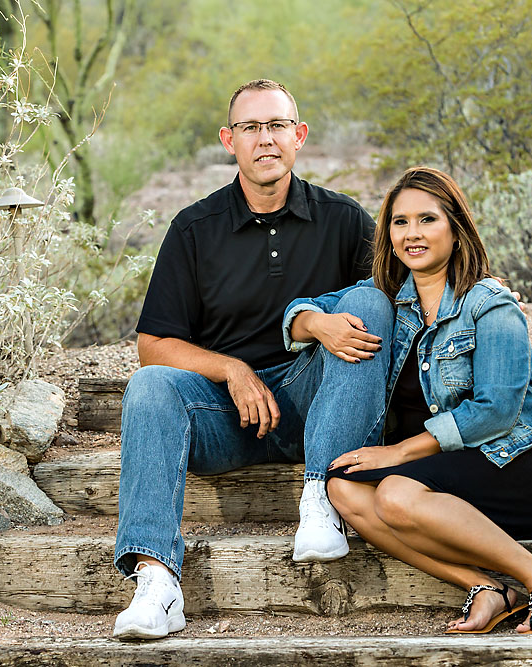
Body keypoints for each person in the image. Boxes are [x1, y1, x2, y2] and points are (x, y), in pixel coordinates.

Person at [111, 79, 395, 640]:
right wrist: (231, 370)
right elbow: (152, 346)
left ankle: (321, 495)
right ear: (228, 140)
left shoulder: (343, 219)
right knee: (149, 388)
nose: (264, 139)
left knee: (368, 298)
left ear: (299, 135)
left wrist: (477, 286)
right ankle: (157, 581)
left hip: (321, 406)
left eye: (276, 126)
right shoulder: (194, 229)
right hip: (228, 418)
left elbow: (404, 296)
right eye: (250, 128)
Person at [283, 166, 532, 635]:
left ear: (456, 229)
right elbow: (297, 314)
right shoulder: (385, 299)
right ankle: (485, 587)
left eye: (427, 219)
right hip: (448, 462)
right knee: (341, 487)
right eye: (400, 222)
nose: (412, 234)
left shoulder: (491, 305)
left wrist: (399, 452)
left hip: (520, 460)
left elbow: (496, 412)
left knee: (395, 494)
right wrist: (317, 324)